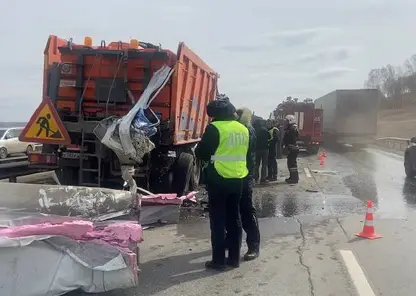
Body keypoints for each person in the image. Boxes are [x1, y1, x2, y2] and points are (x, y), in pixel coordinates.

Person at [195, 94, 251, 271]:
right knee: (234, 218)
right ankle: (234, 259)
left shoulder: (215, 128)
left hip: (218, 178)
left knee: (218, 221)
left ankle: (218, 261)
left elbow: (202, 152)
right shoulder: (243, 128)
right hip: (238, 178)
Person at [228, 107, 260, 261]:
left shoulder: (248, 130)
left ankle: (253, 246)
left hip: (244, 176)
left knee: (247, 212)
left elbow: (247, 156)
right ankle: (231, 241)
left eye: (238, 115)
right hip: (232, 176)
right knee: (232, 213)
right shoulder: (236, 130)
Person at [283, 115, 300, 184]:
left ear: (290, 121)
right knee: (290, 163)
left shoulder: (292, 129)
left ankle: (294, 179)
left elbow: (292, 139)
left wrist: (288, 147)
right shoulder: (291, 128)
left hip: (292, 149)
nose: (285, 123)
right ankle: (292, 177)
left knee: (292, 164)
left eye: (286, 121)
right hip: (292, 148)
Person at [253, 120, 269, 184]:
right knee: (264, 165)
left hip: (257, 149)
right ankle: (263, 179)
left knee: (257, 165)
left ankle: (256, 178)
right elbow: (269, 138)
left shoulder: (254, 130)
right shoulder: (264, 129)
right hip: (265, 149)